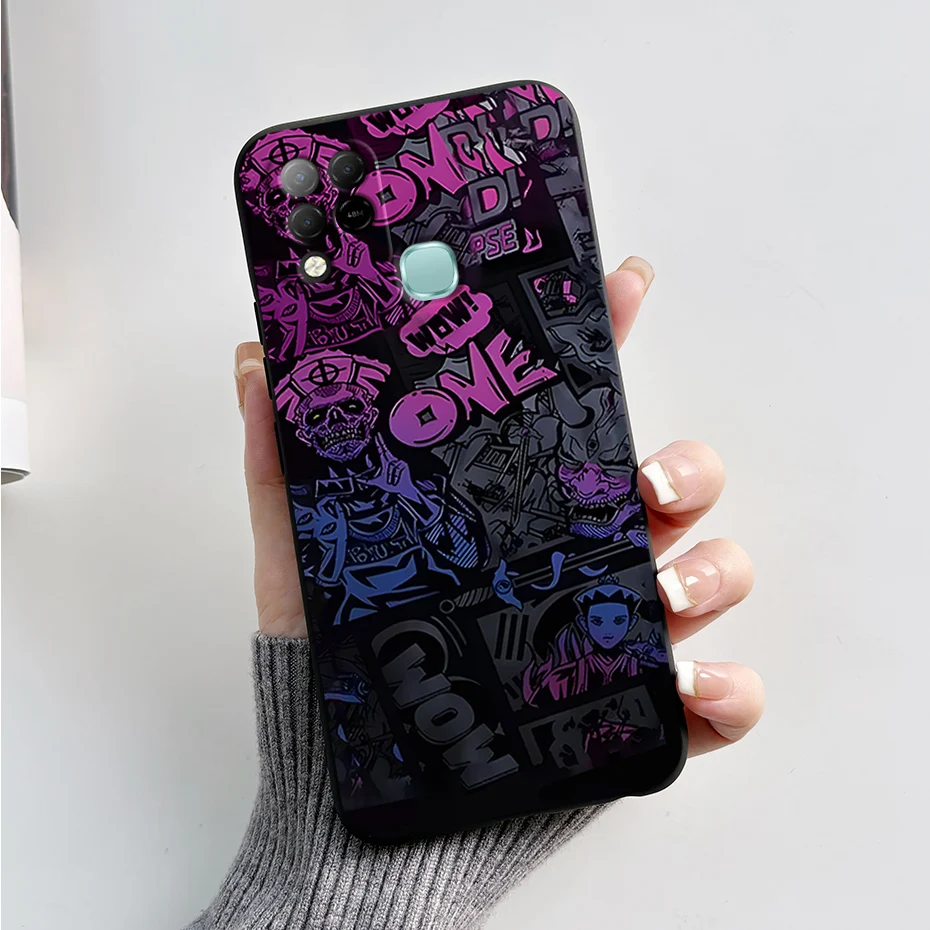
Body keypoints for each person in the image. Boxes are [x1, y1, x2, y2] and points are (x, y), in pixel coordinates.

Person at [185, 257, 765, 930]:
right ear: (306, 432)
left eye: (348, 409)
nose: (338, 423)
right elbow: (342, 587)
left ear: (368, 412)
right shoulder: (318, 510)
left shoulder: (417, 481)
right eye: (321, 417)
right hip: (380, 664)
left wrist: (413, 498)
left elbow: (463, 554)